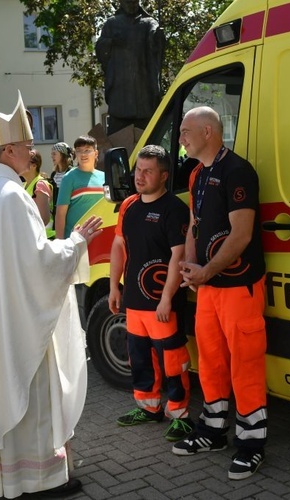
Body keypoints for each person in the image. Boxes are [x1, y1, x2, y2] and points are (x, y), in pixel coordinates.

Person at [0, 92, 103, 498]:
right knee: (31, 391)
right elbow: (37, 261)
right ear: (9, 149)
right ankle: (35, 479)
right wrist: (78, 242)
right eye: (29, 145)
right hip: (17, 317)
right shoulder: (12, 195)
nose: (35, 151)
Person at [173, 107, 268, 480]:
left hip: (239, 285)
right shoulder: (198, 174)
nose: (181, 138)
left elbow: (242, 235)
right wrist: (191, 269)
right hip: (209, 288)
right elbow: (195, 225)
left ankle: (252, 444)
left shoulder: (237, 171)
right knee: (210, 361)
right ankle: (213, 432)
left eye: (185, 131)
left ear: (208, 131)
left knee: (245, 363)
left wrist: (207, 271)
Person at [108, 145, 193, 442]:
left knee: (172, 359)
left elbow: (178, 256)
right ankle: (148, 407)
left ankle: (180, 414)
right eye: (138, 170)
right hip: (134, 301)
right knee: (140, 357)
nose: (140, 177)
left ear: (164, 176)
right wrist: (113, 286)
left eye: (148, 171)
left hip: (161, 302)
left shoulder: (174, 210)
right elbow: (119, 246)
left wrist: (167, 298)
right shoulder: (129, 206)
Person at [95, 0, 165, 134]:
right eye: (128, 2)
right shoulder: (112, 23)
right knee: (117, 132)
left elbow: (155, 38)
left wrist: (158, 37)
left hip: (142, 89)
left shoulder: (148, 22)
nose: (131, 5)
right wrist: (112, 42)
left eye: (134, 2)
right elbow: (100, 49)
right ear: (121, 3)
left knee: (148, 131)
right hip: (120, 88)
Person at [55, 135, 105, 239]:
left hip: (101, 238)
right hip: (75, 241)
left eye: (87, 150)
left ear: (96, 153)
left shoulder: (104, 177)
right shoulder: (68, 178)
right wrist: (60, 243)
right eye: (79, 150)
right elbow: (60, 214)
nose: (83, 154)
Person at [21, 148, 54, 230]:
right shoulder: (23, 185)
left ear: (34, 166)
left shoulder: (41, 185)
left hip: (45, 237)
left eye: (23, 161)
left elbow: (44, 219)